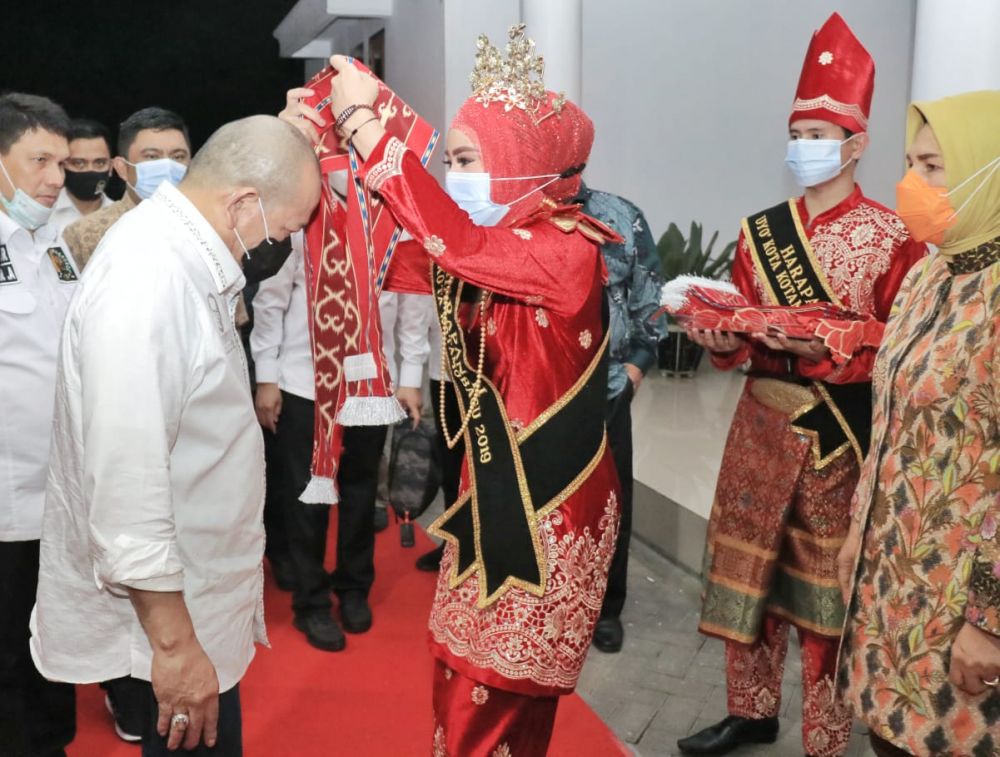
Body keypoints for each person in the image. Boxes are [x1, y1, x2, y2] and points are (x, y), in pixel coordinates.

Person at [287, 25, 623, 752]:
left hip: (546, 509)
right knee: (463, 682)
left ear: (524, 167)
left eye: (468, 161)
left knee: (494, 698)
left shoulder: (564, 248)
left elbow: (450, 238)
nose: (455, 177)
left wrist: (364, 122)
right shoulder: (496, 239)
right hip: (495, 492)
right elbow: (389, 241)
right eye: (452, 162)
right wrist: (313, 145)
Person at [30, 115, 321, 757]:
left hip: (200, 593)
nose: (285, 243)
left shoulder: (186, 255)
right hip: (173, 617)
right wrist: (176, 648)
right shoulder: (149, 282)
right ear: (243, 204)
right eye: (286, 228)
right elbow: (128, 488)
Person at [677, 14, 926, 757]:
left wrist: (830, 348)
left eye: (818, 133)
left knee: (823, 594)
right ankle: (751, 711)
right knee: (746, 570)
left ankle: (824, 734)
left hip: (835, 436)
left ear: (856, 143)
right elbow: (739, 325)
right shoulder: (760, 231)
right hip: (758, 424)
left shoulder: (892, 237)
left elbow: (902, 345)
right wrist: (721, 343)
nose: (804, 146)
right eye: (797, 133)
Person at [837, 91, 1000, 757]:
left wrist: (989, 621)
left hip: (961, 606)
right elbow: (890, 421)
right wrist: (856, 531)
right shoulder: (927, 276)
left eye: (932, 166)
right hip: (893, 585)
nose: (911, 183)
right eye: (910, 164)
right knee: (890, 743)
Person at [250, 232, 430, 651]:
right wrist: (267, 376)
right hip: (304, 382)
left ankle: (353, 588)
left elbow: (413, 304)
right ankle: (311, 600)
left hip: (371, 384)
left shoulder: (398, 228)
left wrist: (410, 378)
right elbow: (271, 301)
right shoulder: (304, 222)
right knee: (305, 497)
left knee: (360, 491)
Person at [0, 91, 77, 757]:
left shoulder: (55, 239)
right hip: (5, 491)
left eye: (61, 162)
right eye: (39, 160)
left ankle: (52, 739)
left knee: (53, 628)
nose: (55, 177)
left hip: (59, 486)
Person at [576, 183, 664, 654]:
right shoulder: (516, 214)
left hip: (605, 388)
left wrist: (634, 370)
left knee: (610, 502)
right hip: (534, 389)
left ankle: (606, 607)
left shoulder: (620, 216)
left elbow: (650, 299)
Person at [62, 106, 191, 270]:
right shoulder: (84, 234)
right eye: (152, 156)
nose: (167, 166)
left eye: (178, 157)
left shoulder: (209, 226)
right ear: (122, 168)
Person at [50, 118, 114, 233]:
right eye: (79, 163)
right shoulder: (43, 215)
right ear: (62, 166)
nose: (90, 170)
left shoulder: (125, 219)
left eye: (99, 163)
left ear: (111, 167)